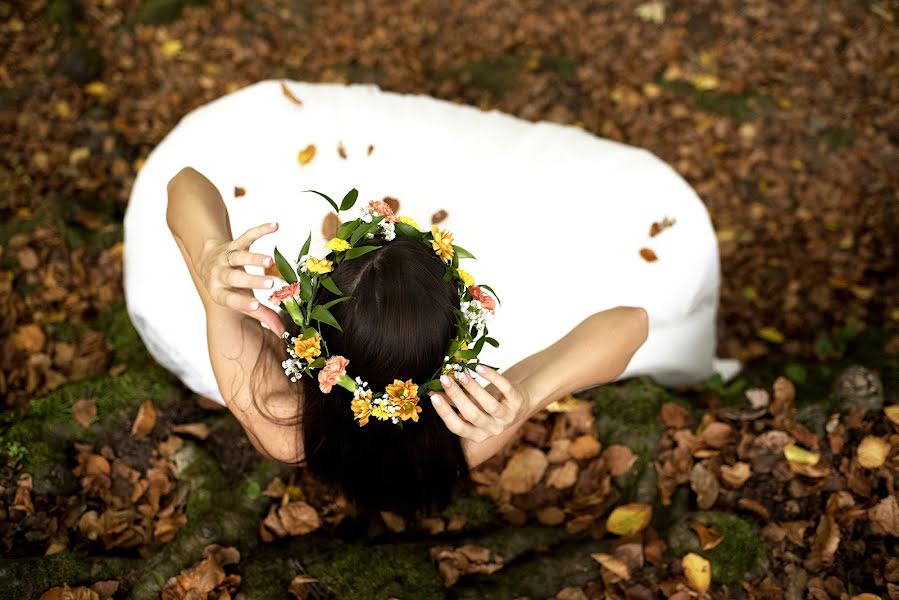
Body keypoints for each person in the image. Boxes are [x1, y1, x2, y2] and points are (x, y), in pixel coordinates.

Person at [124, 80, 733, 513]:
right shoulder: (470, 432)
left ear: (308, 329)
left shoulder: (273, 411)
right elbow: (630, 320)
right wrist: (525, 395)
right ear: (456, 344)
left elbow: (184, 183)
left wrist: (208, 262)